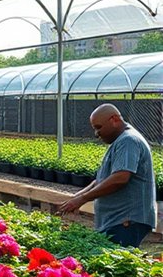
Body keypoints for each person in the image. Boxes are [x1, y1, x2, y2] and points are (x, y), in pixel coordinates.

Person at [59, 104, 157, 248]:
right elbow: (101, 180)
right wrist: (77, 197)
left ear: (114, 119)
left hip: (126, 221)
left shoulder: (128, 141)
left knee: (117, 265)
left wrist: (83, 198)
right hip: (118, 221)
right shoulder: (120, 141)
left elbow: (120, 177)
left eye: (99, 127)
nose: (96, 133)